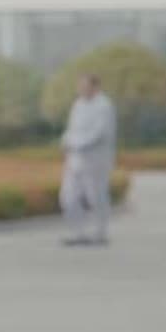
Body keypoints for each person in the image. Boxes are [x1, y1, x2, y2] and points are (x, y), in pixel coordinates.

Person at [58, 73, 117, 246]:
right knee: (68, 196)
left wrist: (76, 143)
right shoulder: (78, 104)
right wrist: (66, 141)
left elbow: (99, 133)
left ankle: (100, 233)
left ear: (95, 87)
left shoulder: (104, 106)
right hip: (74, 159)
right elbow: (71, 128)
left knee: (96, 196)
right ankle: (77, 232)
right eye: (80, 86)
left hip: (95, 159)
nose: (81, 89)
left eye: (85, 86)